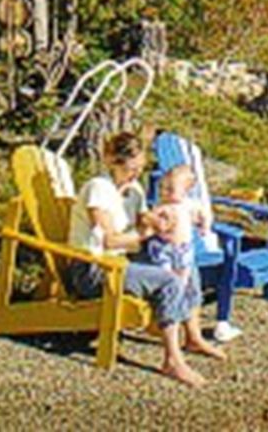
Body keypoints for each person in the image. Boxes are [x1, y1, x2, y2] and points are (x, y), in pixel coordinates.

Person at [66, 132, 224, 388]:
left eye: (139, 169)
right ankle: (172, 360)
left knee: (187, 266)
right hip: (94, 269)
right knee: (169, 281)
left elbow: (144, 219)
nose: (135, 175)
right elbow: (111, 241)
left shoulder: (133, 190)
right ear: (110, 160)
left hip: (119, 263)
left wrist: (160, 222)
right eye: (129, 169)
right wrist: (145, 233)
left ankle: (193, 336)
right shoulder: (99, 188)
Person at [143, 164, 214, 298]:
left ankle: (179, 291)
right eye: (162, 188)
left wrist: (205, 226)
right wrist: (151, 219)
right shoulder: (163, 206)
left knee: (184, 271)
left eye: (170, 189)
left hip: (184, 248)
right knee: (165, 273)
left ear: (185, 191)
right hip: (164, 247)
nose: (164, 192)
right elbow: (149, 217)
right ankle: (165, 291)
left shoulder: (189, 204)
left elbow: (204, 214)